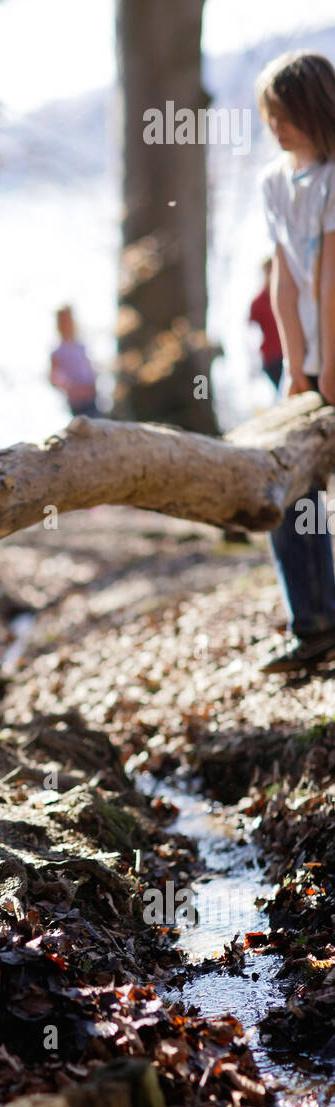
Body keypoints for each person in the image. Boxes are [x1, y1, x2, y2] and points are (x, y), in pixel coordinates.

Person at [256, 50, 335, 673]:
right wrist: (295, 362)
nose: (277, 127)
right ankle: (313, 621)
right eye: (269, 116)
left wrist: (329, 357)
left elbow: (331, 274)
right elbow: (285, 276)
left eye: (285, 114)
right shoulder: (274, 184)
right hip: (306, 357)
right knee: (290, 488)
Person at [49, 306, 99, 418]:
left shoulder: (81, 346)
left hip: (91, 396)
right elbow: (54, 377)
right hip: (76, 401)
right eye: (64, 321)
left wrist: (93, 385)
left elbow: (89, 368)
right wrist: (70, 388)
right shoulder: (58, 351)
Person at [249, 257, 284, 389]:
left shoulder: (289, 293)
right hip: (272, 358)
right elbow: (250, 332)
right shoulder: (257, 303)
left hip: (293, 353)